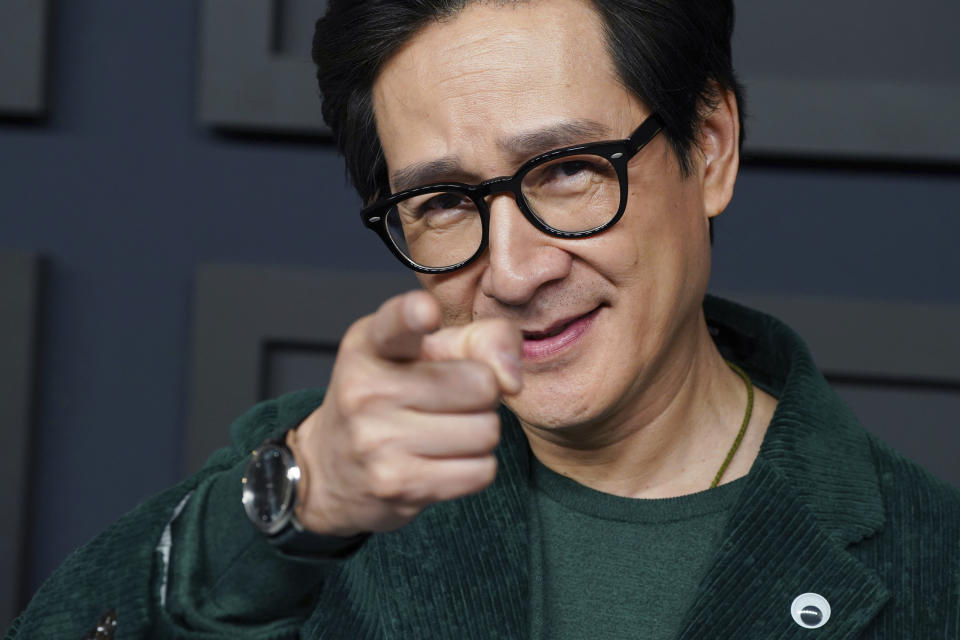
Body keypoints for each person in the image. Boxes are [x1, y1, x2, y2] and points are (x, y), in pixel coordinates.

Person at [8, 0, 959, 638]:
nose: (511, 272)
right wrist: (297, 505)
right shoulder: (324, 474)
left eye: (568, 171)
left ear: (708, 148)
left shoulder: (933, 564)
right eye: (444, 203)